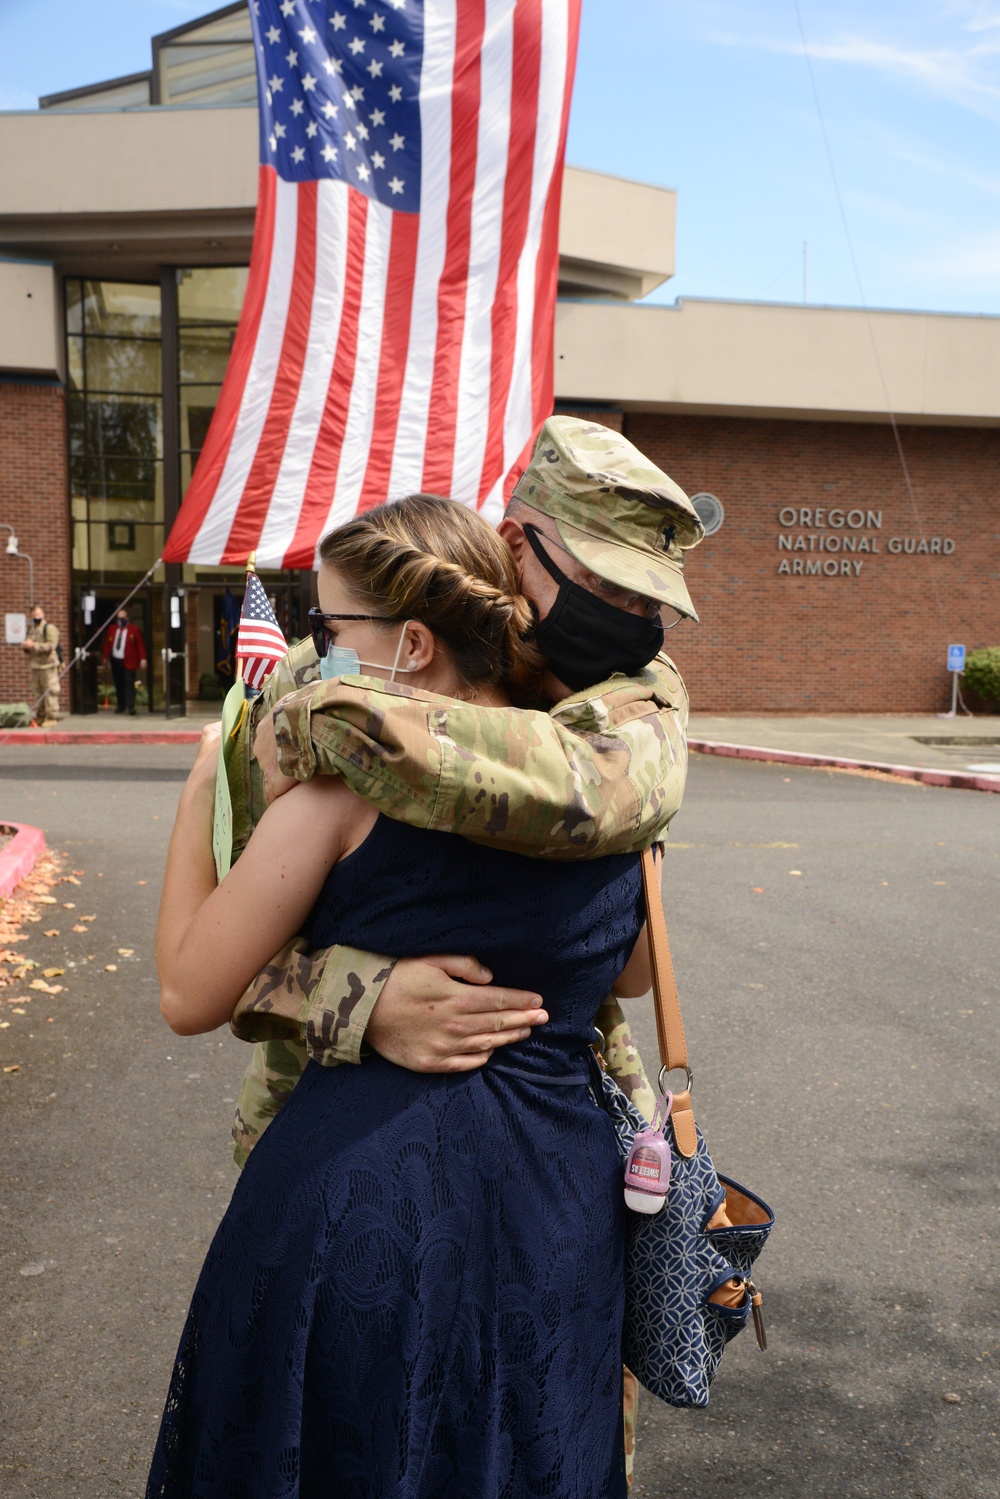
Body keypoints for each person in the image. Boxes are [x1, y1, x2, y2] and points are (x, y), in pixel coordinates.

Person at [228, 417, 705, 1487]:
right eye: (609, 587)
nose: (632, 622)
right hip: (342, 1139)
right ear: (517, 544)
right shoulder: (353, 652)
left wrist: (326, 717)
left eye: (649, 601)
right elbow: (230, 946)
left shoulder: (630, 708)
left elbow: (585, 815)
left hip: (557, 1153)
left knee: (536, 1436)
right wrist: (362, 992)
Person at [101, 606, 147, 715]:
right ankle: (121, 705)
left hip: (129, 661)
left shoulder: (134, 629)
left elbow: (140, 645)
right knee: (118, 683)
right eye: (118, 618)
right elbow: (108, 644)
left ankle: (131, 706)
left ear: (127, 618)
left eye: (122, 618)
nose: (120, 620)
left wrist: (143, 659)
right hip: (116, 659)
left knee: (129, 683)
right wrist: (105, 657)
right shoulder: (112, 629)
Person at [22, 604, 61, 725]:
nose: (36, 617)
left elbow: (51, 646)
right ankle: (40, 716)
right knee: (37, 693)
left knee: (50, 692)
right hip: (35, 666)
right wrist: (26, 647)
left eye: (38, 614)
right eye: (34, 615)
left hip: (47, 666)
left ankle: (51, 717)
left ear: (43, 614)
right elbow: (29, 647)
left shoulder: (49, 628)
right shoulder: (31, 629)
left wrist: (34, 645)